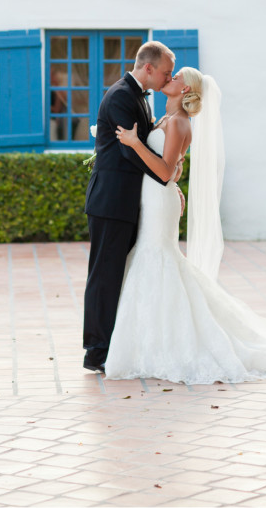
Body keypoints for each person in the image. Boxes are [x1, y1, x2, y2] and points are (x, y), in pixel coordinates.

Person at [105, 67, 266, 384]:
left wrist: (136, 144)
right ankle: (147, 340)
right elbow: (172, 170)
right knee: (151, 257)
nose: (170, 79)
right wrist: (170, 176)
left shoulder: (178, 123)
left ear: (186, 91)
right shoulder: (164, 120)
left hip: (158, 199)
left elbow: (163, 172)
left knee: (158, 256)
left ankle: (168, 344)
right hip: (152, 197)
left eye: (176, 78)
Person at [82, 40, 180, 373]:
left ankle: (119, 344)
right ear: (148, 68)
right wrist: (165, 175)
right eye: (166, 71)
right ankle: (96, 351)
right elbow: (129, 151)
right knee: (105, 277)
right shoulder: (122, 95)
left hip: (129, 202)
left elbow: (146, 144)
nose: (168, 78)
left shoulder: (139, 97)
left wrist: (170, 175)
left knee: (121, 275)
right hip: (111, 201)